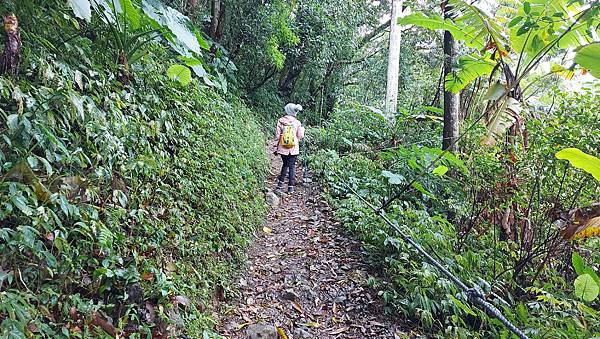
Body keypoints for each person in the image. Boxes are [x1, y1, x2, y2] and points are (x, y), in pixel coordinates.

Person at [275, 103, 305, 193]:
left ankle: (280, 186)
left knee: (285, 165)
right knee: (292, 166)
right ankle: (290, 188)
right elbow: (300, 136)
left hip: (283, 148)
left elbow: (277, 136)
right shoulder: (297, 122)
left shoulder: (281, 121)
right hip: (294, 148)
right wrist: (302, 130)